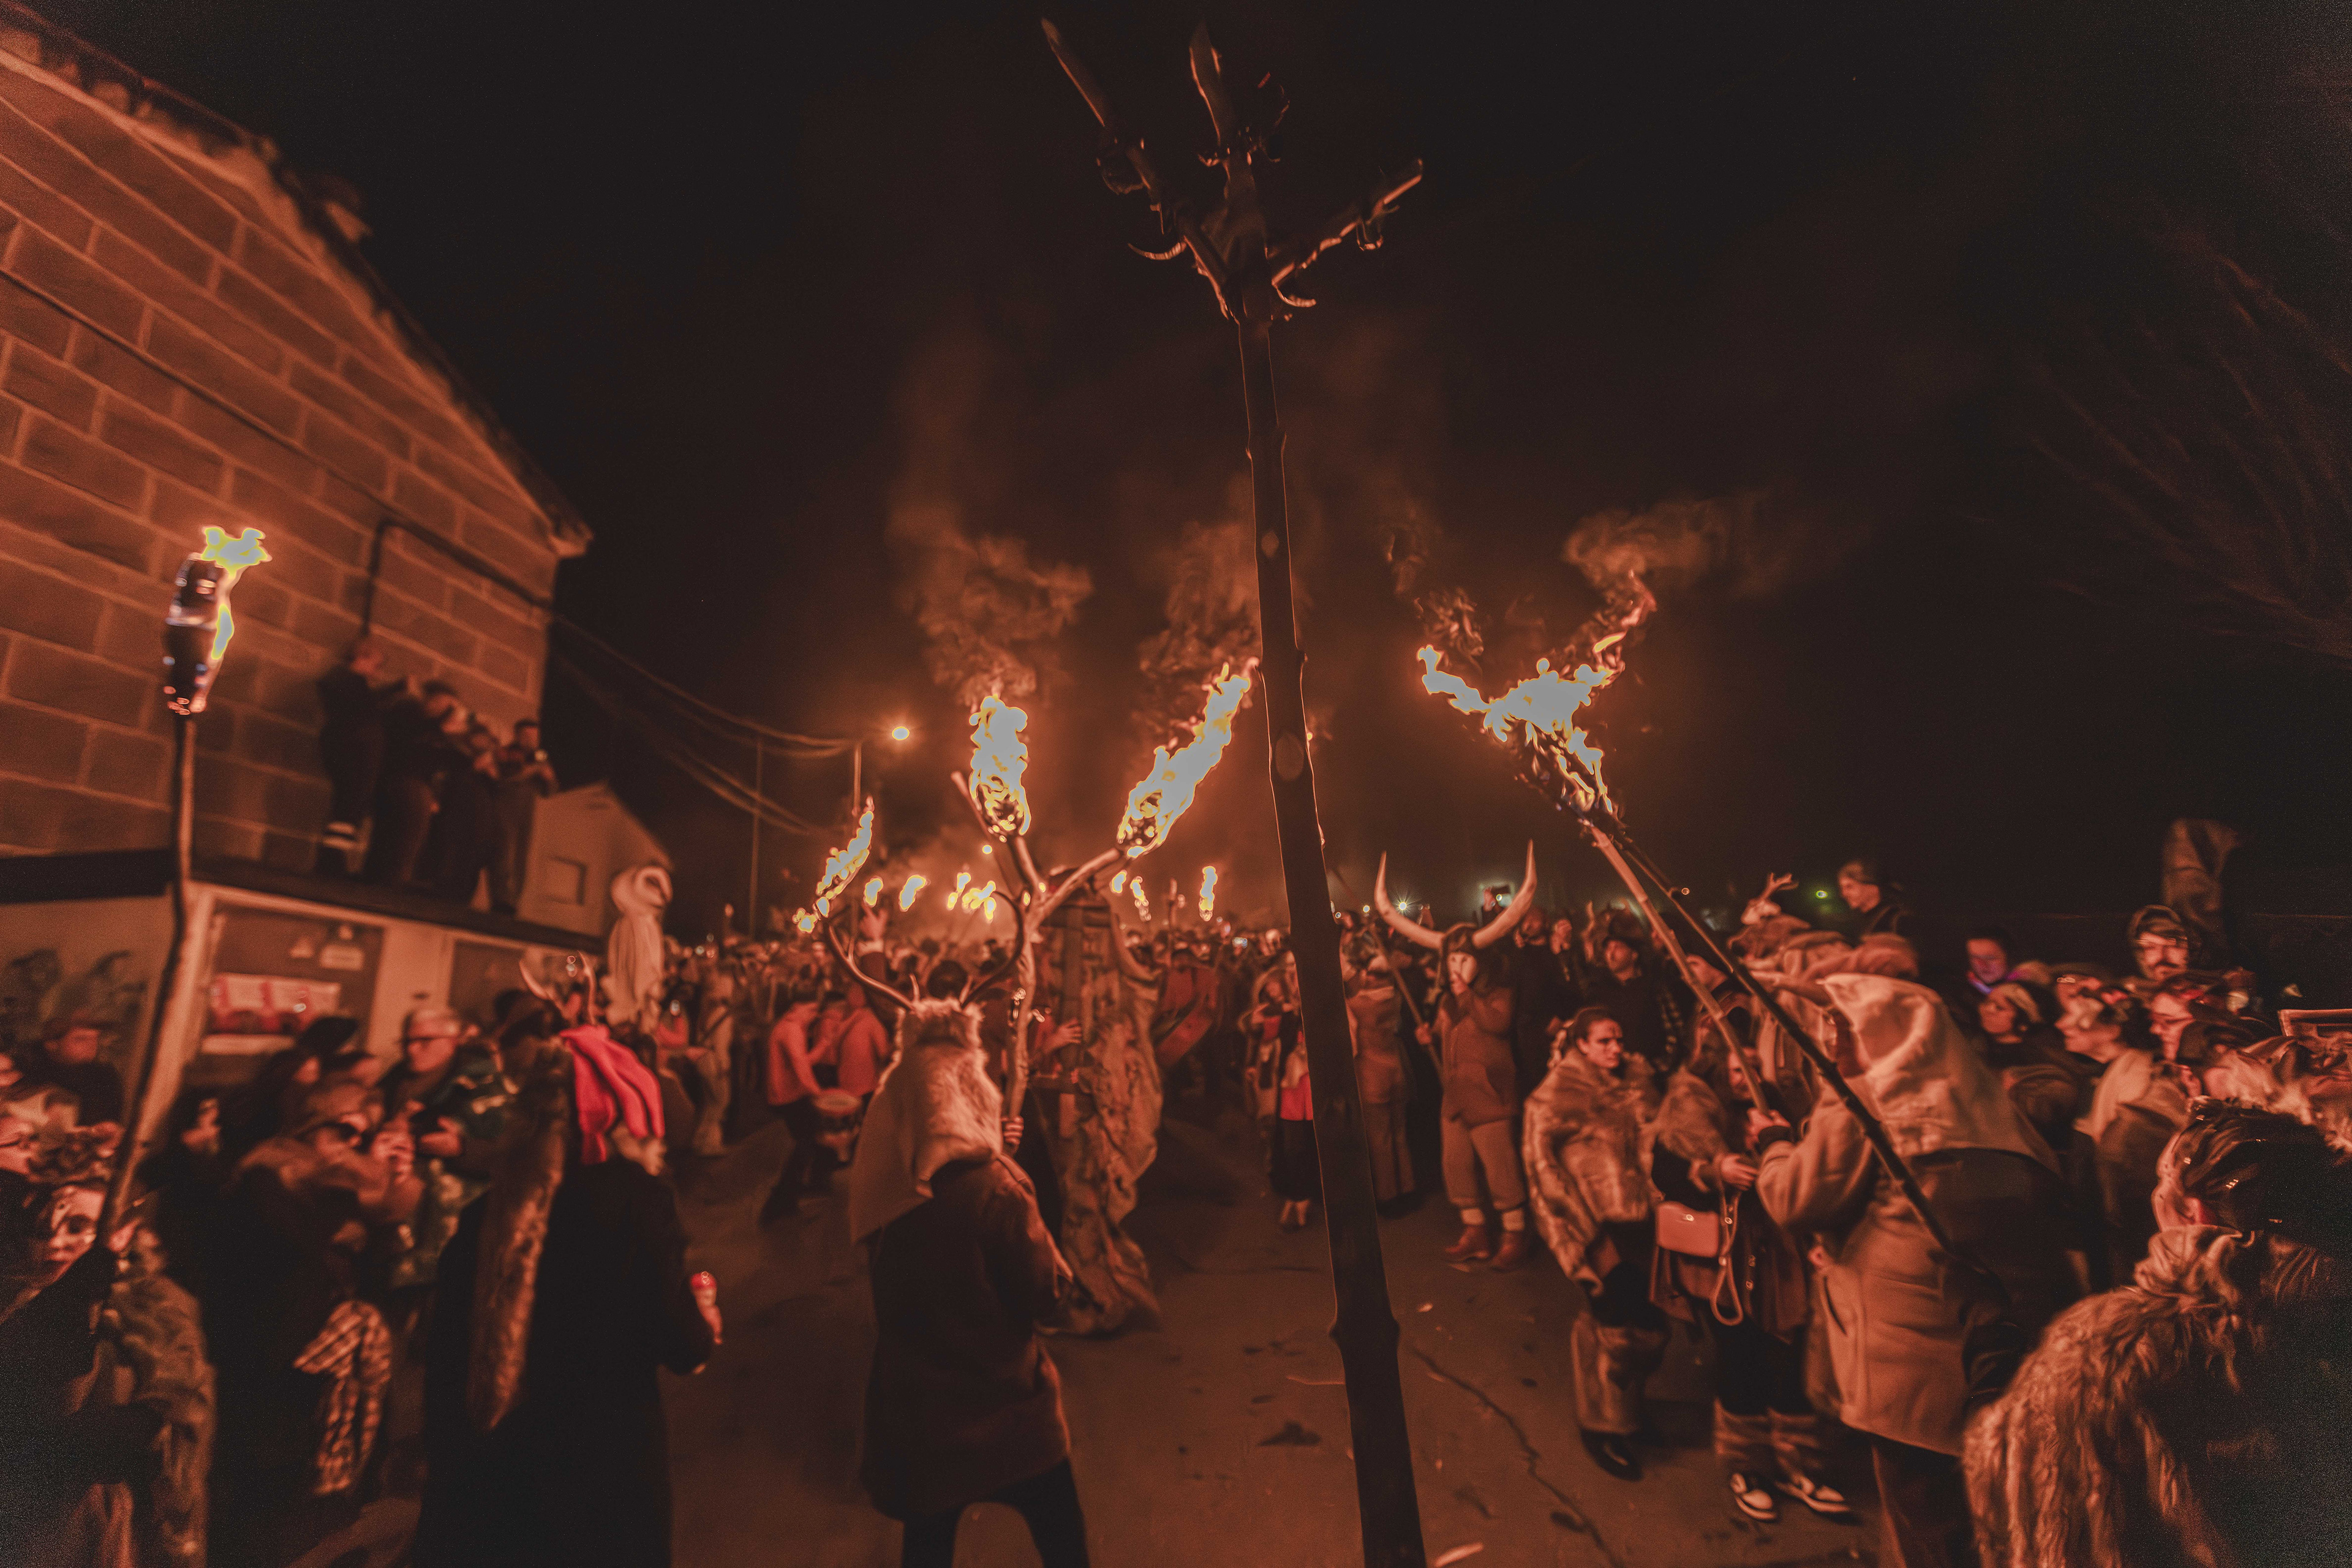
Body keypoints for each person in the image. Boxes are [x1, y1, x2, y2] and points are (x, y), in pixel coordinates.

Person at [1755, 973, 2076, 1568]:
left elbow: (1797, 1199)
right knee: (1977, 1520)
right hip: (1994, 1347)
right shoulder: (1977, 1098)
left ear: (1880, 1035)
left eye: (1843, 1028)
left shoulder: (1864, 1101)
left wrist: (1773, 1144)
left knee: (1921, 1523)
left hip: (1906, 1362)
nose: (1831, 1042)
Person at [1966, 1101, 2352, 1567]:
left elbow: (2051, 1518)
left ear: (2193, 1210)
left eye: (2162, 1181)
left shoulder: (2107, 1352)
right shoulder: (2329, 1317)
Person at [415, 1022, 717, 1568]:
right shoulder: (637, 1203)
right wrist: (704, 1318)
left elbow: (446, 1353)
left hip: (496, 1482)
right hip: (601, 1478)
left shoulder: (485, 1213)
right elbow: (681, 1344)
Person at [848, 994, 1087, 1568]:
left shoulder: (885, 1191)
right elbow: (1048, 1295)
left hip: (923, 1420)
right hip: (1010, 1413)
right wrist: (1007, 1172)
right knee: (1063, 1541)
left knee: (927, 1551)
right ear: (969, 1089)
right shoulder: (997, 1190)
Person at [1648, 1003, 1853, 1521]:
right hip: (1726, 1262)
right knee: (1740, 1361)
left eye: (1753, 1068)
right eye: (1737, 1070)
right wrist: (1712, 1171)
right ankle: (1748, 1467)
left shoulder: (1777, 1108)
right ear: (1719, 1069)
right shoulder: (1692, 1111)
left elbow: (1809, 1175)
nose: (1748, 1079)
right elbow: (1664, 1171)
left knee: (1789, 1359)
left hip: (1781, 1258)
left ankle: (1799, 1464)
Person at [1375, 847, 1538, 1267]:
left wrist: (1466, 997)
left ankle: (1514, 1234)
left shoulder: (1497, 991)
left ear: (1478, 961)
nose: (1454, 968)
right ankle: (1475, 1231)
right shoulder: (1449, 999)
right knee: (1457, 1166)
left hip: (1490, 1094)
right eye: (1451, 960)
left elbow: (1496, 1025)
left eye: (1462, 959)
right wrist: (1429, 1033)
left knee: (1501, 1168)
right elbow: (1447, 1033)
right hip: (1455, 1095)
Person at [1524, 1008, 1664, 1480]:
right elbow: (1543, 1172)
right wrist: (1579, 1235)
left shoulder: (1637, 1084)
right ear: (1581, 1045)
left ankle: (1631, 1413)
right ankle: (1600, 1425)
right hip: (1596, 1229)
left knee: (1648, 1323)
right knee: (1610, 1325)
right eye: (1604, 1041)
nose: (1615, 1048)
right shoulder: (1555, 1097)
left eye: (1618, 1039)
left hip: (1642, 1222)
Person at [2059, 989, 2185, 1280]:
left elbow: (2131, 1153)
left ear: (2114, 1030)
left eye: (2079, 1021)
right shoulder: (2112, 1071)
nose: (2062, 1025)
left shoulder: (2137, 1075)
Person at [379, 1006, 511, 1213]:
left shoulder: (483, 1082)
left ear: (452, 1041)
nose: (412, 1050)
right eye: (407, 1042)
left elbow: (508, 1152)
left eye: (425, 1041)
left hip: (457, 1204)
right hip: (397, 1196)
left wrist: (461, 1148)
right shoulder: (397, 1076)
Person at [367, 678, 464, 888]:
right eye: (446, 704)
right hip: (403, 782)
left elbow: (438, 764)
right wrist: (444, 725)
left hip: (417, 785)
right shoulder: (409, 713)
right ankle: (391, 883)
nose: (448, 710)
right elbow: (408, 747)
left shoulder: (433, 728)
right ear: (433, 700)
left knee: (402, 839)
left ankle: (386, 882)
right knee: (403, 840)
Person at [1343, 948, 1414, 1208]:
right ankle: (1408, 1188)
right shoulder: (1396, 999)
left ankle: (1388, 1196)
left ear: (1372, 976)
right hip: (1397, 1072)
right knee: (1400, 1134)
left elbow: (1345, 990)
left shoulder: (1360, 1005)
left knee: (1380, 1139)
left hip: (1372, 1078)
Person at [1575, 910, 1686, 1076]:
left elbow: (1676, 1031)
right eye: (1607, 948)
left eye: (1617, 947)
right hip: (1614, 1075)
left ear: (1634, 954)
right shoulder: (1598, 993)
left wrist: (1659, 1068)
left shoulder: (1654, 986)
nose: (1611, 954)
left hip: (1656, 1073)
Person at [315, 635, 392, 875]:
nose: (377, 672)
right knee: (348, 806)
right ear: (362, 657)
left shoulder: (351, 684)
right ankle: (332, 861)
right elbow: (360, 708)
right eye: (376, 664)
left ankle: (335, 857)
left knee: (352, 806)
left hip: (358, 752)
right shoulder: (342, 681)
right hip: (351, 752)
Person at [759, 986, 829, 1223]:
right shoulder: (791, 1029)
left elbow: (802, 1062)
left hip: (789, 1095)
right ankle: (781, 1201)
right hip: (788, 1097)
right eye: (811, 1010)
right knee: (806, 1143)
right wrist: (820, 1096)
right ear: (796, 1008)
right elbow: (801, 1067)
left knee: (807, 1142)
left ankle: (790, 1195)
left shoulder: (791, 1026)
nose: (814, 1016)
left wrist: (823, 1045)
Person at [489, 717, 558, 916]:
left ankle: (514, 900)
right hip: (504, 808)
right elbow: (504, 779)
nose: (531, 739)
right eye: (527, 735)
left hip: (526, 812)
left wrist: (549, 777)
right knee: (503, 853)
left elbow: (549, 791)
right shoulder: (505, 753)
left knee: (521, 857)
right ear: (517, 735)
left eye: (535, 736)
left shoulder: (539, 757)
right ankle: (501, 900)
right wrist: (533, 770)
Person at [26, 1012, 124, 1128]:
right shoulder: (29, 1069)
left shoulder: (104, 1077)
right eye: (81, 1039)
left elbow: (110, 1120)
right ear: (52, 1044)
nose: (91, 1045)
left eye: (95, 1039)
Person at [1834, 856, 1910, 940]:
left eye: (1849, 887)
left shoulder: (1898, 921)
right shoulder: (1859, 922)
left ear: (1873, 887)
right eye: (1842, 888)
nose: (1843, 894)